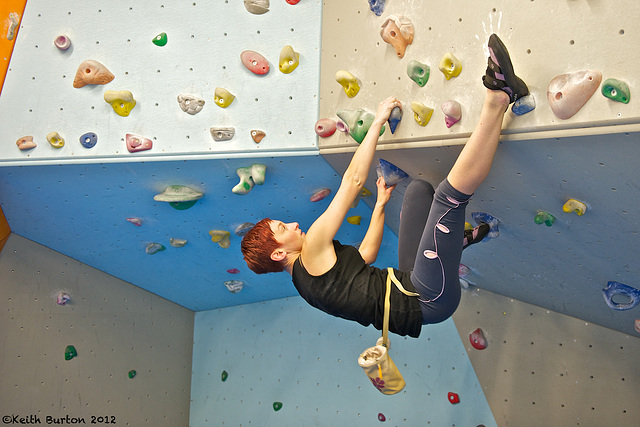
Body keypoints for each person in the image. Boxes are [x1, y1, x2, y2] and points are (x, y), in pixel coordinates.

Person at [241, 34, 528, 338]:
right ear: (277, 254)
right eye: (283, 229)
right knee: (447, 197)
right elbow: (352, 182)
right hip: (427, 299)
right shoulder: (311, 249)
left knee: (418, 192)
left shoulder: (305, 283)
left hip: (408, 280)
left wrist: (379, 206)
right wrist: (377, 122)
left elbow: (366, 256)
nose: (293, 223)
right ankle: (499, 99)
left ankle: (452, 244)